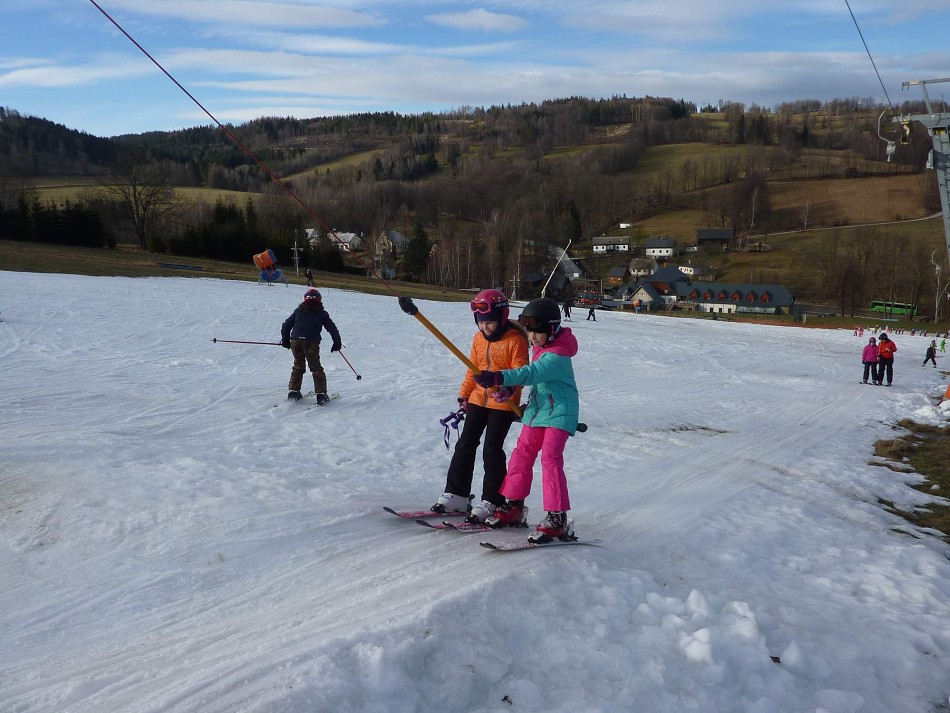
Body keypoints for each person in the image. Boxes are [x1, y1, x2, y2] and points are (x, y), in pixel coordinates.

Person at [473, 297, 580, 542]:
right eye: (529, 332)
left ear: (552, 329)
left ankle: (557, 517)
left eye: (537, 332)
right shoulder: (542, 348)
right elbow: (537, 382)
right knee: (522, 454)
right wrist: (509, 391)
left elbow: (531, 373)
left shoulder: (558, 355)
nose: (531, 337)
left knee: (551, 459)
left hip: (559, 413)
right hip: (538, 411)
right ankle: (513, 504)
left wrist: (499, 377)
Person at [431, 290, 529, 521]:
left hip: (503, 403)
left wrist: (509, 389)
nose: (485, 328)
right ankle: (457, 494)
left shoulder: (516, 340)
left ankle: (493, 500)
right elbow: (472, 368)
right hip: (478, 399)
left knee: (492, 450)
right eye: (481, 323)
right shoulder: (478, 339)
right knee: (465, 444)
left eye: (490, 323)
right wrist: (464, 395)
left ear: (503, 317)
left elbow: (521, 373)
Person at [281, 289, 341, 403]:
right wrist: (337, 342)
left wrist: (285, 340)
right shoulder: (322, 313)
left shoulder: (298, 311)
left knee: (298, 366)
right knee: (316, 368)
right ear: (319, 300)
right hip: (311, 342)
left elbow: (285, 326)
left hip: (295, 341)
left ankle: (293, 392)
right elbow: (332, 328)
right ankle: (321, 394)